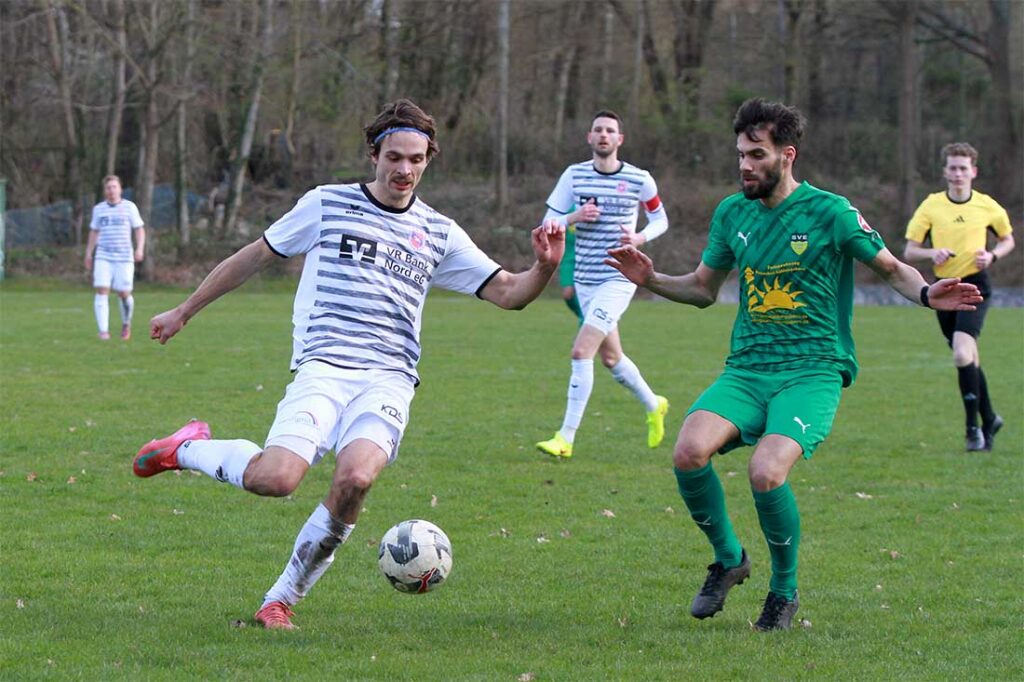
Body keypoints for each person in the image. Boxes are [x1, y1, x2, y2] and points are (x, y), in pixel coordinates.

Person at [131, 99, 565, 630]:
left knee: (356, 478)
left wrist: (543, 269)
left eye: (416, 159)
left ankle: (280, 601)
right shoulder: (326, 204)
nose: (404, 170)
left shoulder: (439, 232)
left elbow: (508, 292)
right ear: (374, 155)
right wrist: (183, 310)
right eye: (394, 157)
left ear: (429, 159)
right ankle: (187, 448)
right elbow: (256, 255)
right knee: (277, 479)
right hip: (324, 365)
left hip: (390, 376)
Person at [606, 98, 982, 631]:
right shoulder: (732, 213)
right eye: (739, 154)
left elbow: (893, 267)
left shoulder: (830, 212)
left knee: (765, 470)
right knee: (688, 451)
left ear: (787, 155)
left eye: (756, 155)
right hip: (748, 369)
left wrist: (926, 295)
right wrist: (650, 280)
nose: (744, 166)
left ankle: (784, 592)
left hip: (813, 370)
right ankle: (730, 560)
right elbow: (702, 289)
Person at [536, 110, 670, 459]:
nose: (604, 135)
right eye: (598, 130)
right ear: (589, 137)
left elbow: (661, 220)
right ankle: (654, 404)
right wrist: (574, 217)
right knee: (611, 358)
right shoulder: (574, 176)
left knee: (583, 351)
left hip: (619, 277)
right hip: (585, 279)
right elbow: (548, 220)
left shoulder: (640, 179)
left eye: (610, 130)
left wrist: (639, 236)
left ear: (619, 139)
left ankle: (565, 438)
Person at [903, 142, 1015, 452]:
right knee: (969, 359)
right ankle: (990, 418)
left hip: (976, 285)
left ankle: (972, 431)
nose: (957, 173)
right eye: (952, 167)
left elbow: (1008, 240)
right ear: (944, 172)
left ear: (973, 172)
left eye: (963, 168)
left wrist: (991, 256)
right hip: (945, 290)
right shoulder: (930, 206)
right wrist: (931, 252)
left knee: (962, 355)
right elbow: (909, 250)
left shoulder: (987, 206)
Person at [84, 175, 145, 340]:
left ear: (120, 189)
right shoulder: (99, 209)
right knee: (102, 289)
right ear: (105, 191)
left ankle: (126, 323)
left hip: (124, 256)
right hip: (104, 255)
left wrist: (139, 248)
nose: (111, 190)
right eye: (108, 187)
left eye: (114, 187)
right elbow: (94, 232)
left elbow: (139, 229)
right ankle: (103, 331)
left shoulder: (129, 207)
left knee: (124, 293)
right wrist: (89, 253)